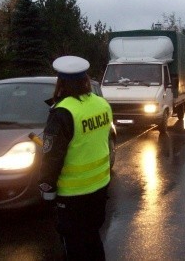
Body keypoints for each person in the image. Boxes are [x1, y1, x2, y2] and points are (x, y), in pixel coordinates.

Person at [38, 55, 113, 260]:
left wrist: (47, 188)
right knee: (92, 238)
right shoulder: (101, 104)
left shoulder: (62, 112)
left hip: (72, 195)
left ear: (60, 82)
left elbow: (52, 158)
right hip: (100, 188)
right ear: (85, 80)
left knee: (74, 246)